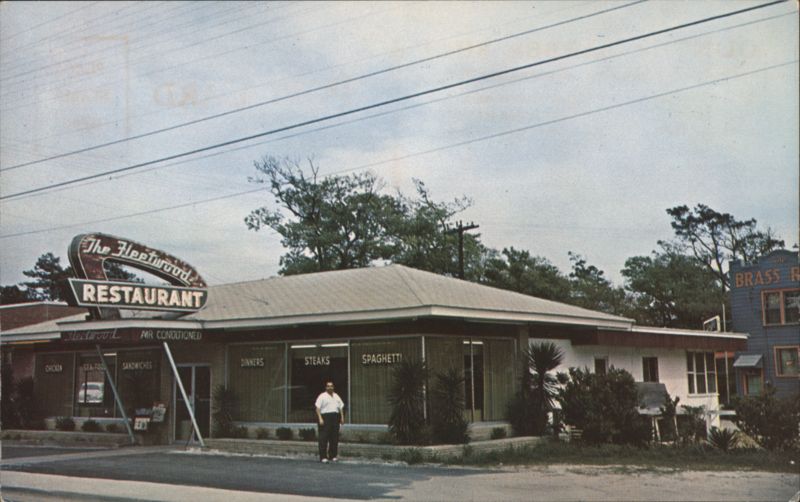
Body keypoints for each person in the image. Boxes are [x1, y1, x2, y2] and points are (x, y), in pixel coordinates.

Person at [315, 380, 345, 463]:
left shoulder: (336, 396)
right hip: (325, 417)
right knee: (323, 438)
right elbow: (317, 409)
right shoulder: (322, 396)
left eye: (331, 386)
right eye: (328, 386)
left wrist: (342, 418)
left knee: (334, 437)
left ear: (333, 387)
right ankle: (323, 457)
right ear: (326, 387)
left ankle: (333, 456)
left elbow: (340, 408)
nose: (330, 387)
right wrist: (320, 418)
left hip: (335, 417)